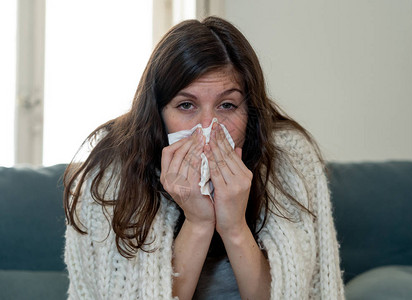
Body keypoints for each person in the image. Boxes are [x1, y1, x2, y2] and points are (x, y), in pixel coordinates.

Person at [63, 16, 344, 300]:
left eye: (227, 105)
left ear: (251, 113)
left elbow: (294, 291)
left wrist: (234, 227)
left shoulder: (290, 160)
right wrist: (198, 221)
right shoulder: (111, 172)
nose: (207, 126)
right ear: (158, 115)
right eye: (186, 105)